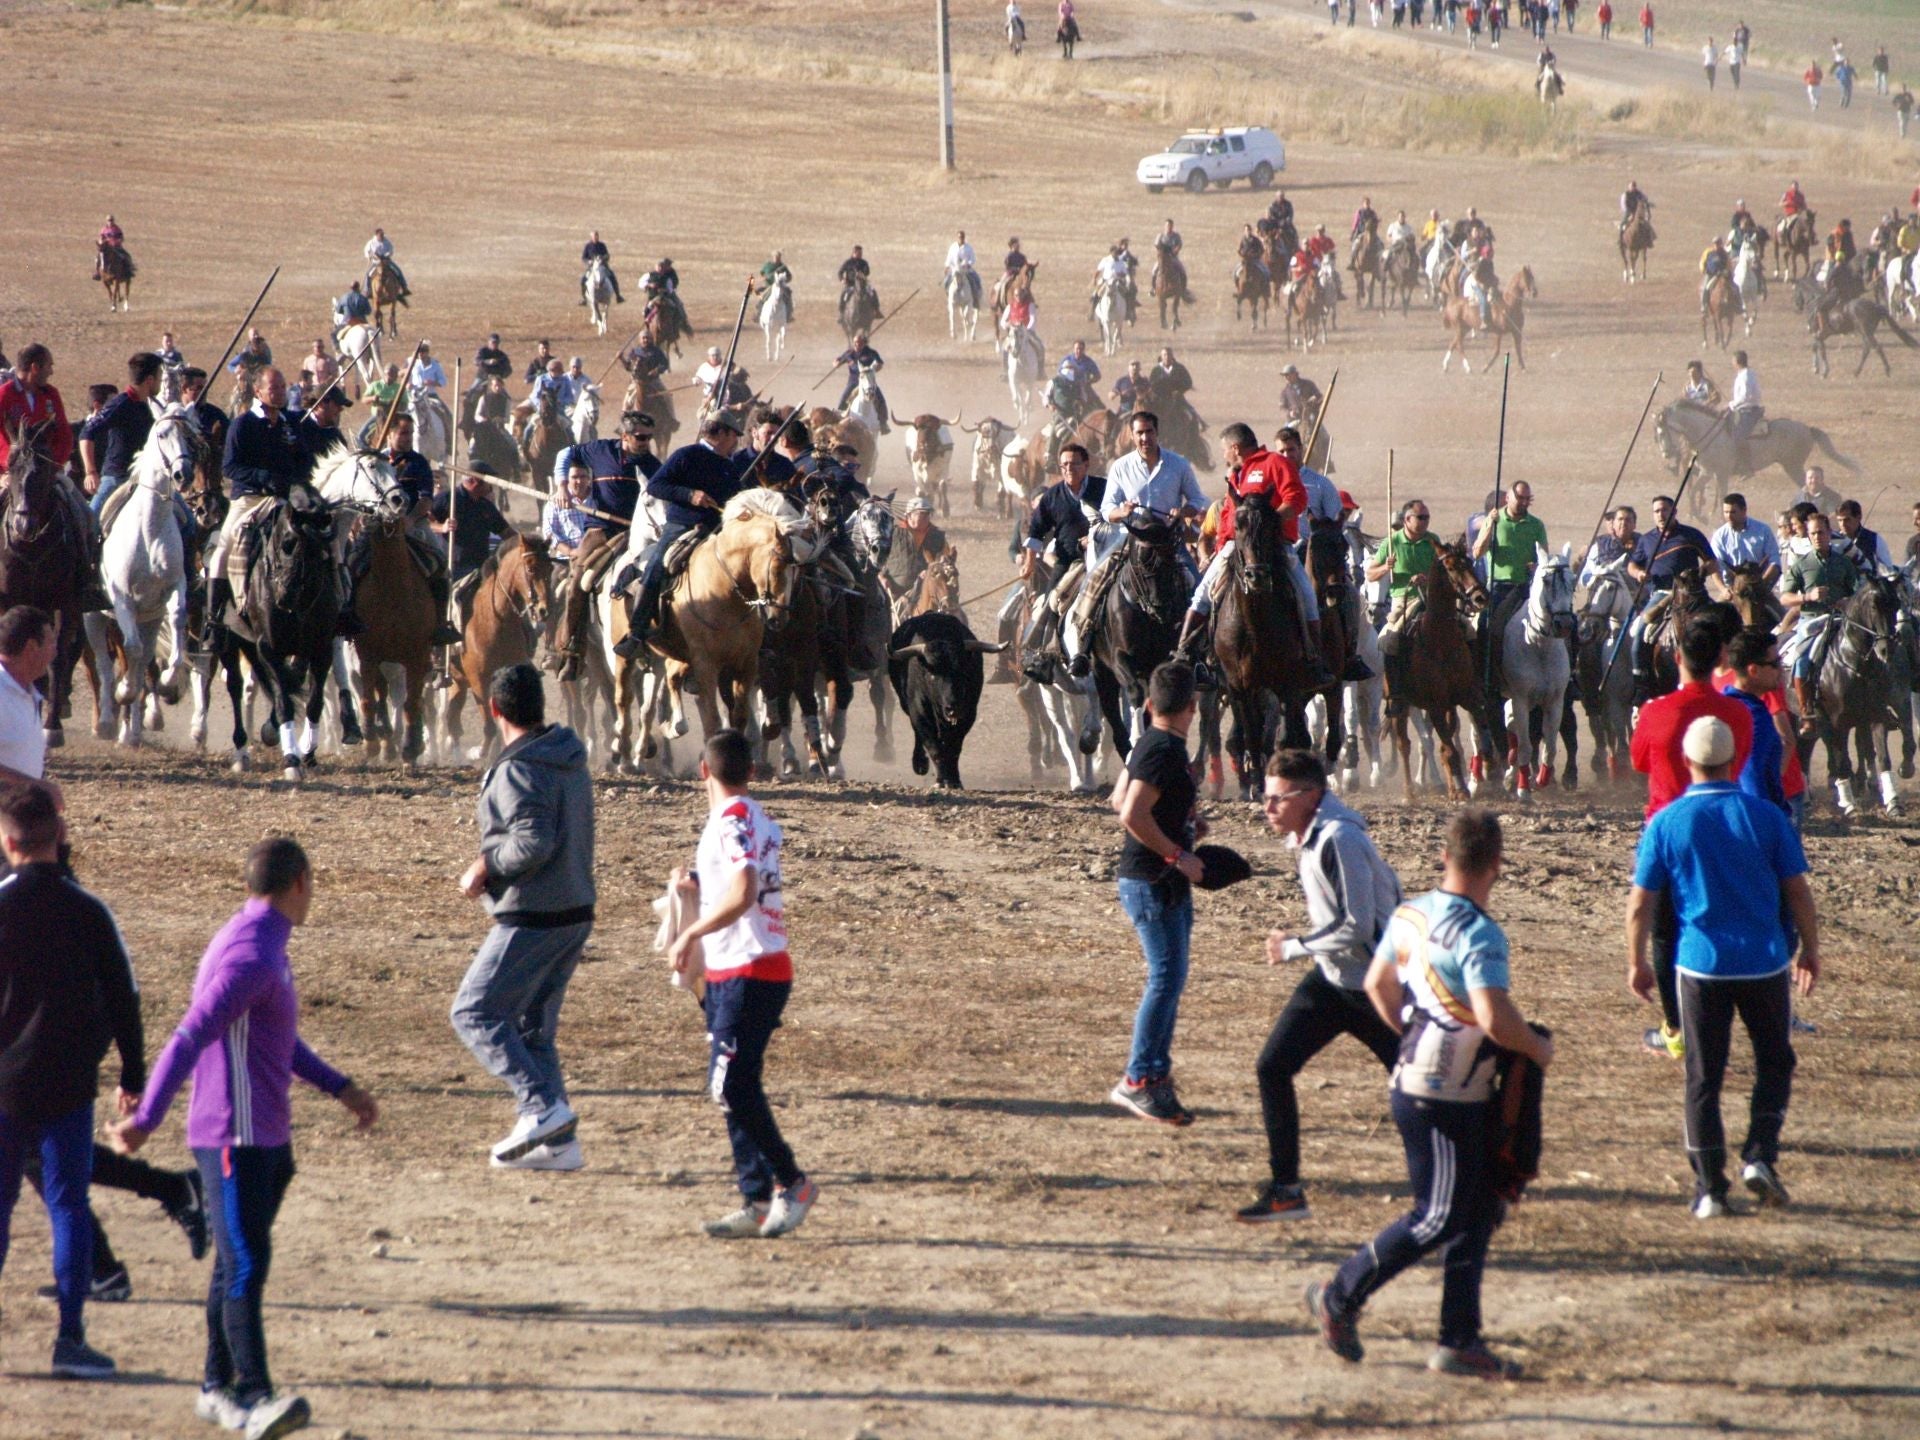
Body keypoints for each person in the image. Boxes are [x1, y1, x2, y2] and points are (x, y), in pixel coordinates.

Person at [114, 837, 379, 1437]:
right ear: (301, 883)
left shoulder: (265, 944)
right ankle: (254, 1395)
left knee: (235, 1262)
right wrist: (146, 1119)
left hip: (266, 1139)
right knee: (244, 1264)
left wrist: (340, 1088)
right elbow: (188, 1035)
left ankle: (215, 1388)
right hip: (232, 1136)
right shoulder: (250, 954)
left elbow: (274, 1041)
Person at [1306, 808, 1553, 1380]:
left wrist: (1415, 1033)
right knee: (1439, 1215)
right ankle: (1339, 1294)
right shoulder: (1481, 933)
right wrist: (1536, 1050)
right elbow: (1493, 1017)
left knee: (1476, 1212)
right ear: (1497, 866)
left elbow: (1376, 983)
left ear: (1445, 857)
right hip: (1440, 1095)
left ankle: (1459, 1341)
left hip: (1431, 1085)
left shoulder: (1412, 912)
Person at [1628, 717, 1818, 1218]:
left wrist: (1636, 963)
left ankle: (1711, 1188)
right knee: (1775, 1062)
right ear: (1733, 761)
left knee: (1703, 1078)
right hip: (1763, 963)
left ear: (1687, 762)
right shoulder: (1766, 816)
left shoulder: (1666, 822)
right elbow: (1797, 891)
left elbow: (1640, 904)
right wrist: (1811, 951)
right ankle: (1759, 1154)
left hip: (1700, 966)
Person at [0, 783, 142, 1380]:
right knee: (68, 1207)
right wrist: (133, 1075)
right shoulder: (90, 910)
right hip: (67, 1084)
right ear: (58, 837)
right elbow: (124, 996)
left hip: (3, 1084)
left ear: (8, 843)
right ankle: (71, 1339)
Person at [666, 729, 819, 1238]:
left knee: (728, 1083)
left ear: (703, 771)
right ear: (753, 772)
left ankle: (792, 1182)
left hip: (751, 969)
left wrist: (691, 928)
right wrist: (697, 890)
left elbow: (747, 888)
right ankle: (754, 1199)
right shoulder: (759, 818)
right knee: (734, 1086)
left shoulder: (729, 820)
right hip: (742, 968)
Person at [1239, 750, 1402, 1222]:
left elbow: (1358, 924)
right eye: (1265, 798)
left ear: (1310, 796)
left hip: (1372, 989)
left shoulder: (1340, 839)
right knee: (1273, 1066)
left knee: (1421, 1089)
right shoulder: (1309, 834)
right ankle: (1286, 1190)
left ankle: (1482, 1174)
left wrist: (1292, 947)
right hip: (1333, 981)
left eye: (1276, 799)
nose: (1266, 808)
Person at [449, 663, 595, 1172]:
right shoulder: (567, 757)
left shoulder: (520, 767)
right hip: (575, 908)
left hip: (536, 914)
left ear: (494, 710)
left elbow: (533, 841)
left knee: (474, 1012)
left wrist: (485, 864)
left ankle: (541, 1108)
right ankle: (559, 1146)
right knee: (534, 1030)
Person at [1630, 617, 1753, 1056]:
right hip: (1726, 829)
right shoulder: (1737, 711)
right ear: (1721, 659)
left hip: (1667, 832)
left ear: (1677, 657)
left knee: (1664, 934)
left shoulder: (1655, 711)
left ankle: (1676, 1030)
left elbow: (1640, 763)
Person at [1110, 661, 1205, 1125]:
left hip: (1156, 877)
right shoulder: (1164, 750)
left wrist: (1183, 824)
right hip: (1152, 877)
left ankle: (1156, 1076)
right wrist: (1175, 853)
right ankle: (1139, 1079)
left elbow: (1118, 800)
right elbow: (1130, 813)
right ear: (1194, 706)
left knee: (1171, 977)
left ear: (1148, 705)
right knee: (1164, 978)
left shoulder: (1150, 744)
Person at [1175, 423, 1332, 689]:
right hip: (1233, 547)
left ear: (1235, 448)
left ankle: (1314, 660)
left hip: (1274, 546)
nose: (1224, 454)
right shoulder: (1236, 474)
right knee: (1203, 593)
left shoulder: (1275, 463)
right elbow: (1228, 515)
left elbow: (1297, 499)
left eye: (1225, 449)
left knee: (1305, 594)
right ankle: (1185, 656)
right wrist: (1221, 546)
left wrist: (1270, 522)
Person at [206, 368, 310, 642]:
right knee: (222, 552)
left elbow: (305, 461)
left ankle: (338, 605)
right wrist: (262, 477)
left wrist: (295, 480)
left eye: (282, 387)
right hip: (249, 500)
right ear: (258, 392)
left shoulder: (290, 424)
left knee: (321, 535)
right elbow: (230, 467)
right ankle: (213, 621)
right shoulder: (243, 424)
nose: (279, 392)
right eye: (273, 388)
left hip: (286, 499)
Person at [623, 413, 744, 646]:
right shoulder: (686, 455)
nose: (736, 441)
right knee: (656, 567)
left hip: (720, 530)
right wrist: (690, 495)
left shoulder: (729, 466)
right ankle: (637, 631)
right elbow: (656, 486)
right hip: (682, 527)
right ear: (721, 433)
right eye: (734, 435)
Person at [1014, 443, 1105, 678]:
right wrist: (1029, 562)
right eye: (1064, 464)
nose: (1068, 468)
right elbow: (1035, 532)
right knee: (1052, 601)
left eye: (1074, 463)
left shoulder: (1103, 488)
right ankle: (1042, 655)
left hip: (1106, 555)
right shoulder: (1053, 496)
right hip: (1069, 560)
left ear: (1086, 465)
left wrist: (1095, 537)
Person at [1628, 494, 1719, 699]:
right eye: (1657, 511)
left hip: (1692, 594)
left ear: (1674, 512)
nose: (1661, 515)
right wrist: (1639, 573)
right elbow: (1633, 564)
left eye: (1664, 510)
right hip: (1662, 594)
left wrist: (1700, 574)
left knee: (1721, 623)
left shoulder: (1691, 535)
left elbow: (1712, 562)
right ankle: (1642, 686)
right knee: (1640, 633)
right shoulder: (1647, 539)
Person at [1779, 511, 1858, 736]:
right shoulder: (1802, 564)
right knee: (1801, 659)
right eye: (1813, 533)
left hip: (1841, 620)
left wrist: (1847, 601)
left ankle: (1879, 703)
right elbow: (1785, 597)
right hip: (1811, 621)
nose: (1817, 537)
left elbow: (1857, 592)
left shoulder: (1843, 563)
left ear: (1829, 533)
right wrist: (1807, 597)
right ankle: (1807, 713)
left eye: (1821, 533)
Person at [80, 349, 162, 518]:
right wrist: (90, 472)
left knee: (188, 523)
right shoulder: (120, 404)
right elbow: (86, 434)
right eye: (159, 377)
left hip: (148, 479)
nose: (161, 383)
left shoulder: (153, 406)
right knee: (89, 523)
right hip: (117, 478)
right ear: (150, 380)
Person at [1719, 627, 1790, 816]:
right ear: (1754, 670)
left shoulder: (1724, 703)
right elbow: (1752, 778)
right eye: (1775, 663)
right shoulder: (1753, 717)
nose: (1781, 669)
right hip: (1753, 820)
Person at [1710, 493, 1781, 581]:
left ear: (1744, 510)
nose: (1729, 516)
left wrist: (1762, 584)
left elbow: (1774, 560)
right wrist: (1724, 590)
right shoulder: (1719, 536)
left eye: (1733, 512)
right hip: (1732, 589)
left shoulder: (1763, 530)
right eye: (1726, 512)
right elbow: (1716, 566)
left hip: (1760, 585)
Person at [832, 331, 889, 432]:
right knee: (843, 399)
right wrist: (836, 364)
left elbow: (880, 364)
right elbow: (837, 361)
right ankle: (838, 423)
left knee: (881, 400)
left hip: (868, 381)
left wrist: (872, 370)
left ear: (864, 343)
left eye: (859, 342)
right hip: (853, 381)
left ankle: (883, 423)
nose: (857, 344)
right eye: (855, 342)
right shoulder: (849, 353)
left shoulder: (871, 353)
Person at [544, 461, 593, 560]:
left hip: (597, 556)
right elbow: (549, 533)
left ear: (589, 479)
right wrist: (570, 551)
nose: (579, 481)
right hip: (567, 560)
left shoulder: (600, 499)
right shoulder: (554, 503)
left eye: (583, 477)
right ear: (567, 480)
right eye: (574, 477)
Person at [1832, 498, 1892, 572]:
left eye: (1847, 520)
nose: (1843, 524)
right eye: (1839, 520)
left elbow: (1888, 567)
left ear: (1859, 517)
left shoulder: (1874, 539)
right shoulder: (1833, 540)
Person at [1727, 350, 1762, 475]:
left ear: (1737, 362)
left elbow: (1745, 396)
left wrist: (1732, 404)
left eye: (1733, 361)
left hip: (1748, 411)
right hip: (1742, 409)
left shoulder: (1745, 375)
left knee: (1738, 436)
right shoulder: (1745, 373)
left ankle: (1746, 467)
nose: (1732, 364)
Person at [579, 229, 624, 306]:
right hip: (592, 268)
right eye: (594, 236)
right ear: (591, 237)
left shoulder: (602, 245)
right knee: (583, 280)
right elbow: (584, 257)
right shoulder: (588, 246)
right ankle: (584, 299)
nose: (595, 238)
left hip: (603, 266)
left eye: (596, 236)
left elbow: (607, 255)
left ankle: (618, 296)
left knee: (612, 277)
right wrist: (589, 262)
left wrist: (602, 259)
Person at [364, 225, 410, 300]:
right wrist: (370, 256)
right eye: (380, 235)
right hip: (376, 262)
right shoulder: (371, 243)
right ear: (376, 235)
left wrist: (386, 255)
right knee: (368, 274)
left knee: (398, 271)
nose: (382, 236)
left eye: (382, 235)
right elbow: (367, 251)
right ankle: (367, 290)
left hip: (386, 261)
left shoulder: (387, 241)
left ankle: (404, 287)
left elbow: (391, 250)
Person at [944, 230, 980, 310]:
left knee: (975, 280)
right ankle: (950, 297)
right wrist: (947, 266)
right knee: (946, 282)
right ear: (957, 237)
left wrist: (968, 264)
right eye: (959, 237)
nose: (961, 238)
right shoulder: (953, 247)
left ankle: (975, 299)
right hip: (954, 270)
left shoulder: (968, 248)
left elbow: (973, 258)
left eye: (962, 237)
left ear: (964, 238)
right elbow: (949, 258)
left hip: (965, 270)